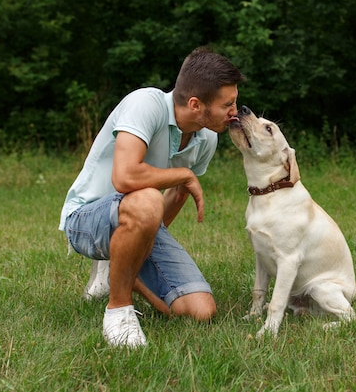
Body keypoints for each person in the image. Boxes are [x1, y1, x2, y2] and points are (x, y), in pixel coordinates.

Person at [59, 47, 246, 347]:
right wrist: (183, 175)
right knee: (147, 199)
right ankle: (118, 311)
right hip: (85, 219)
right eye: (228, 104)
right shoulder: (145, 103)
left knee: (200, 310)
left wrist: (144, 240)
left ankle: (122, 267)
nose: (235, 112)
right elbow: (125, 177)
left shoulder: (207, 137)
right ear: (196, 104)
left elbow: (175, 196)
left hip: (137, 216)